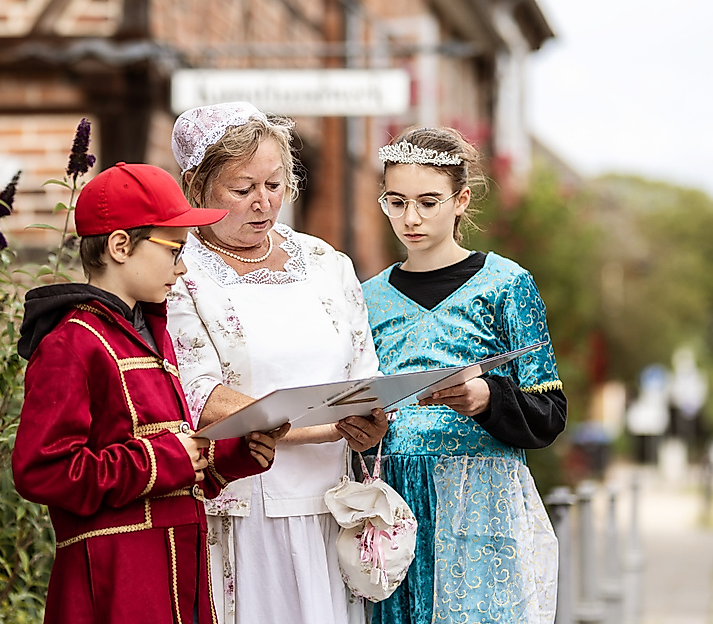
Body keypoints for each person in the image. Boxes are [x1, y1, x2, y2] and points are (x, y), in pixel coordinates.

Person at [12, 162, 287, 624]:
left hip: (179, 577)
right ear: (121, 246)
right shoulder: (72, 343)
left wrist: (233, 454)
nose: (182, 267)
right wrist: (163, 461)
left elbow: (172, 451)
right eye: (174, 250)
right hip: (115, 584)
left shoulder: (152, 333)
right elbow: (43, 471)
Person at [165, 102, 388, 624]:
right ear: (197, 187)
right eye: (241, 190)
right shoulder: (181, 274)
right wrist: (327, 427)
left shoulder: (327, 263)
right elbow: (201, 398)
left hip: (334, 507)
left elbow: (363, 372)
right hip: (242, 507)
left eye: (274, 184)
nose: (263, 203)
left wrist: (371, 421)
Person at [362, 127, 567, 624]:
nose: (410, 218)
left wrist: (486, 398)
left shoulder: (507, 285)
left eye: (428, 202)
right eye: (396, 201)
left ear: (461, 200)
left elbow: (550, 412)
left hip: (481, 499)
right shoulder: (364, 297)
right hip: (392, 502)